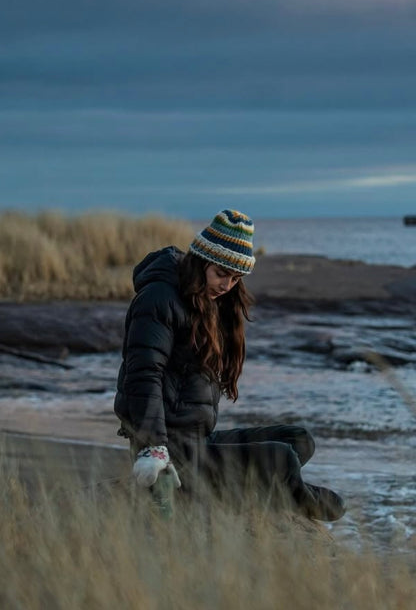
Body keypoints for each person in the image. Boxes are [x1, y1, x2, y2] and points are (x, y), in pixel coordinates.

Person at [114, 209, 345, 521]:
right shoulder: (159, 298)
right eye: (221, 273)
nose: (226, 285)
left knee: (298, 439)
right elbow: (143, 373)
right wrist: (153, 449)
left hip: (199, 441)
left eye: (236, 278)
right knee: (280, 458)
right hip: (170, 453)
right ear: (201, 262)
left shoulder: (208, 303)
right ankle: (292, 498)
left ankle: (260, 490)